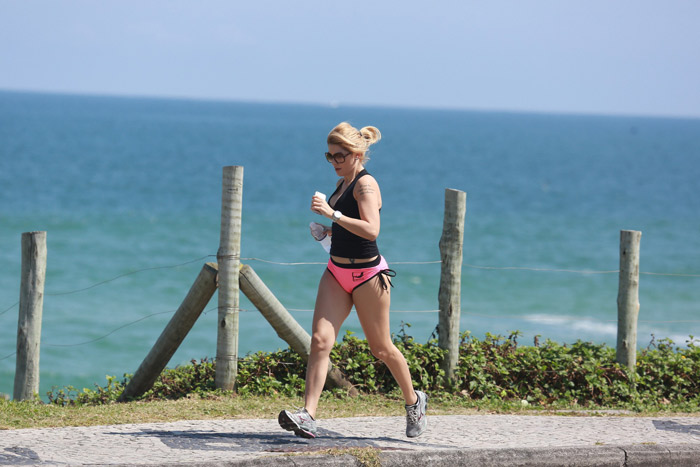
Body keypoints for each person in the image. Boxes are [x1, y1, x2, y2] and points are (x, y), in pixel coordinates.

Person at [278, 122, 428, 439]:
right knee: (319, 341)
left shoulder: (365, 185)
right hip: (336, 271)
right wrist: (329, 232)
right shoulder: (343, 183)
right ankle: (308, 416)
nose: (334, 161)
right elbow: (351, 227)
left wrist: (332, 215)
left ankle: (414, 401)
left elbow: (372, 229)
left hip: (368, 276)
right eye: (329, 156)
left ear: (357, 154)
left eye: (340, 156)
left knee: (381, 348)